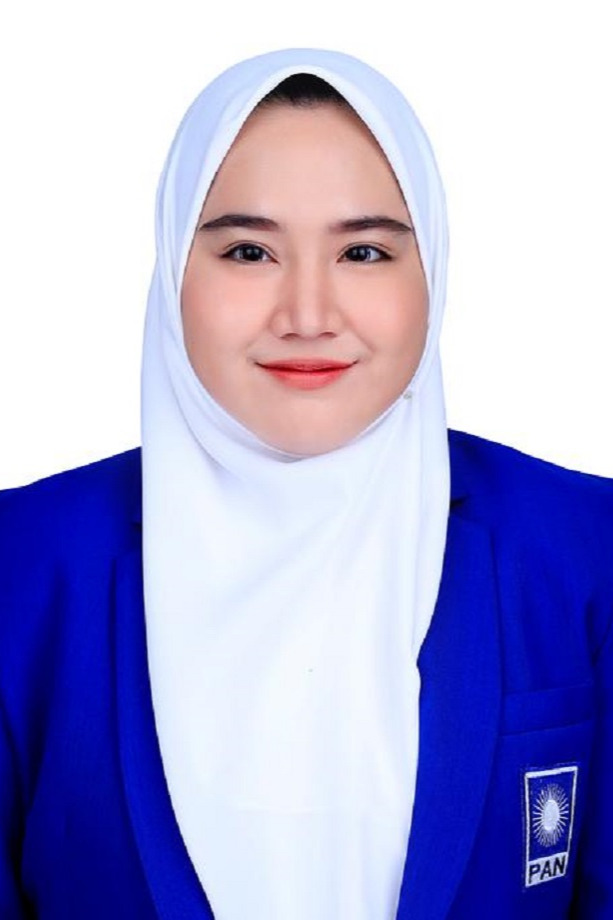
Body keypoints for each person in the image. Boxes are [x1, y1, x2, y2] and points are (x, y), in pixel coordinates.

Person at [0, 47, 611, 920]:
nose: (308, 316)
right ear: (172, 267)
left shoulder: (582, 547)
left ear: (431, 268)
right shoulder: (22, 563)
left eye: (363, 251)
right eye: (249, 251)